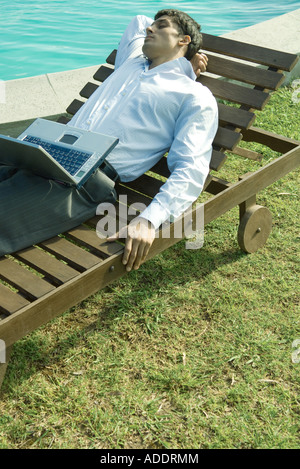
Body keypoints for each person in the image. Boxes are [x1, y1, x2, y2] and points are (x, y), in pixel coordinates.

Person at [0, 9, 218, 271]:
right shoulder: (131, 62)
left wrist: (149, 220)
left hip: (81, 182)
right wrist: (184, 57)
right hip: (43, 153)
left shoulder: (192, 95)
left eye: (160, 27)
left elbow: (191, 168)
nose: (150, 29)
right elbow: (138, 20)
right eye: (153, 25)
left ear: (183, 40)